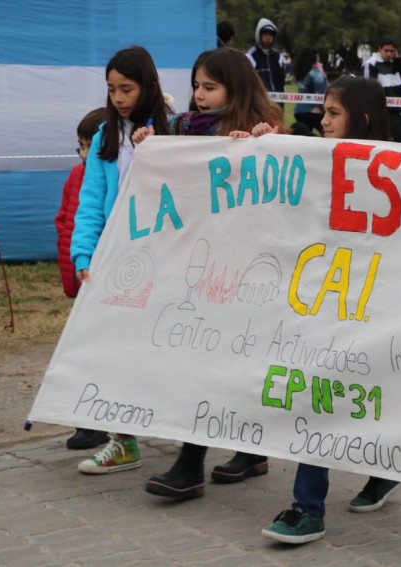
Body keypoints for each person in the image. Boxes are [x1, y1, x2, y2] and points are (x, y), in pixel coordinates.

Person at [246, 77, 401, 545]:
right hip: (326, 305)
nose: (323, 121)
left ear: (365, 120)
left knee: (372, 397)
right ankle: (307, 507)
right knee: (317, 396)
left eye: (333, 113)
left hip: (381, 308)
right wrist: (253, 146)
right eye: (323, 112)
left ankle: (383, 469)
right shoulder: (315, 159)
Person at [131, 48, 284, 498]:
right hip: (196, 262)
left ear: (234, 89)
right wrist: (149, 145)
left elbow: (284, 182)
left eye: (209, 87)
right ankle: (231, 454)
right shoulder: (180, 129)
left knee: (226, 359)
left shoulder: (262, 129)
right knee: (202, 357)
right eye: (196, 85)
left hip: (241, 265)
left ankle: (193, 463)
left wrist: (262, 145)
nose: (198, 95)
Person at [70, 46, 171, 474]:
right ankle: (122, 440)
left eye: (126, 88)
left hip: (168, 258)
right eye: (111, 89)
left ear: (148, 86)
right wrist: (82, 253)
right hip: (118, 260)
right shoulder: (103, 141)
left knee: (170, 349)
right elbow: (91, 202)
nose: (117, 98)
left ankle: (198, 442)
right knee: (114, 349)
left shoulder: (176, 133)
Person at [56, 107, 110, 452]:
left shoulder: (111, 174)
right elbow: (67, 222)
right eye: (81, 146)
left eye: (91, 145)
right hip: (84, 276)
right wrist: (76, 266)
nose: (85, 153)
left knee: (105, 353)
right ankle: (87, 423)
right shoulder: (77, 176)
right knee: (83, 352)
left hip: (110, 276)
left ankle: (104, 421)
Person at [362, 37, 401, 142]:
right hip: (381, 113)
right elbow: (368, 89)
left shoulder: (396, 63)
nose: (389, 54)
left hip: (397, 112)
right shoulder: (370, 64)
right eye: (386, 50)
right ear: (380, 49)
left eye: (392, 51)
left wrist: (398, 59)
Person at [292, 47, 327, 135]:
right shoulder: (316, 73)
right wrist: (322, 108)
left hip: (299, 111)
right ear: (314, 57)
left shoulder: (302, 72)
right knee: (327, 136)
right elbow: (321, 93)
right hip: (313, 111)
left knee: (305, 138)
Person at [246, 18, 285, 97]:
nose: (268, 37)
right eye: (265, 33)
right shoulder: (250, 56)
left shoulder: (278, 57)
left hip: (277, 102)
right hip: (259, 102)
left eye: (271, 34)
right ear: (258, 34)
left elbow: (282, 83)